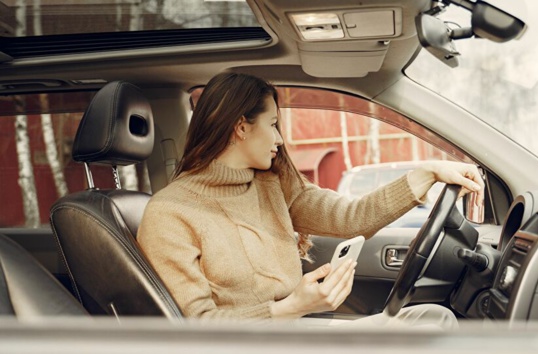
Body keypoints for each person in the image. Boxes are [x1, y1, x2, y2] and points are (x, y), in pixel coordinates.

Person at [137, 72, 484, 326]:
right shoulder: (170, 213)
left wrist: (429, 173)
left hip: (296, 330)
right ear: (241, 127)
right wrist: (290, 307)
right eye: (272, 124)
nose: (279, 139)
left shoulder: (273, 184)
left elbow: (352, 217)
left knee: (432, 319)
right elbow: (197, 326)